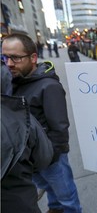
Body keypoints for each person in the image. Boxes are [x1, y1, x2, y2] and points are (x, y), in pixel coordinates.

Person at [1, 33, 82, 213]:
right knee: (49, 189)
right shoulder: (12, 81)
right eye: (4, 57)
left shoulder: (48, 86)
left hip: (52, 159)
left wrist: (49, 157)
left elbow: (60, 129)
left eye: (16, 57)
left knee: (67, 198)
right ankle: (54, 208)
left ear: (33, 58)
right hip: (28, 158)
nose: (9, 63)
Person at [1, 66, 54, 213]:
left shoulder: (48, 85)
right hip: (18, 200)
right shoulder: (20, 120)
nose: (10, 63)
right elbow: (43, 157)